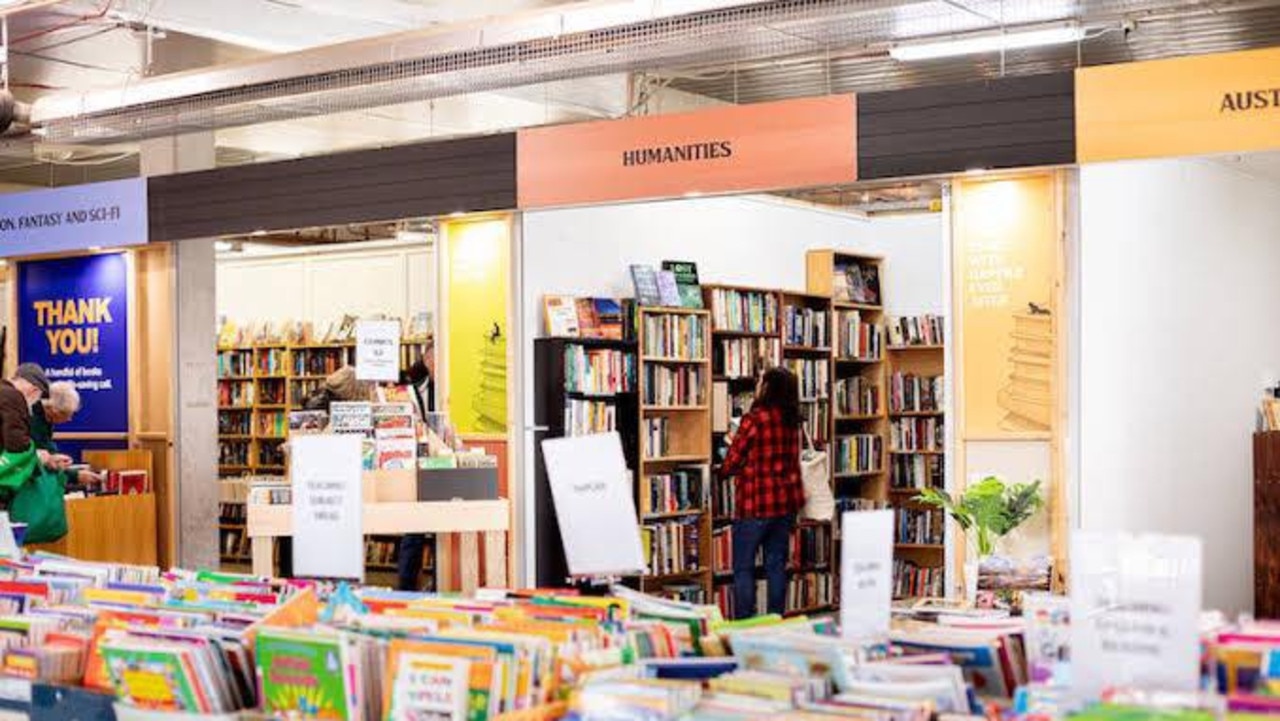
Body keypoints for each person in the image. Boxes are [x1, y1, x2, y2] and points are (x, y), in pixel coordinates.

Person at [719, 366, 805, 619]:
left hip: (755, 503)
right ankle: (776, 620)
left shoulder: (755, 419)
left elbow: (732, 462)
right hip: (784, 504)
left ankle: (747, 621)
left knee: (743, 567)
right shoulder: (792, 421)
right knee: (776, 565)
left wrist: (725, 460)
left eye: (761, 382)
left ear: (767, 387)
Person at [397, 356, 434, 592]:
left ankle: (434, 582)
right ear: (428, 358)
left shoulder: (442, 385)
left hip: (435, 461)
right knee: (414, 528)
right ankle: (406, 586)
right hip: (413, 461)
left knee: (436, 526)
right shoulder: (410, 383)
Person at [32, 382, 101, 487]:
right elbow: (44, 462)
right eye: (68, 414)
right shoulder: (34, 422)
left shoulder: (45, 419)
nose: (69, 419)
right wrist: (75, 476)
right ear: (54, 410)